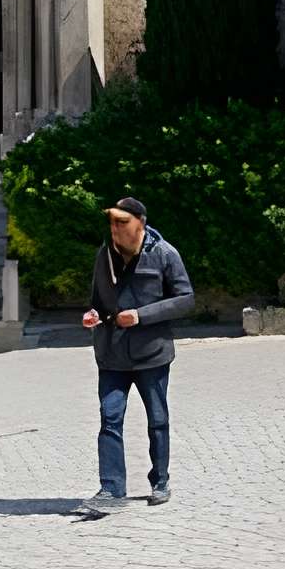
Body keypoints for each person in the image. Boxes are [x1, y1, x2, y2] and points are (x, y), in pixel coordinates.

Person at [82, 197, 193, 514]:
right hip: (111, 354)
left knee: (158, 420)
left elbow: (185, 300)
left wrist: (141, 315)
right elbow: (96, 301)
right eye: (113, 223)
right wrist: (92, 315)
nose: (116, 229)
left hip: (151, 354)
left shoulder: (164, 254)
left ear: (140, 224)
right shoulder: (104, 255)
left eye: (122, 222)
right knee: (110, 420)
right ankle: (111, 489)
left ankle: (160, 480)